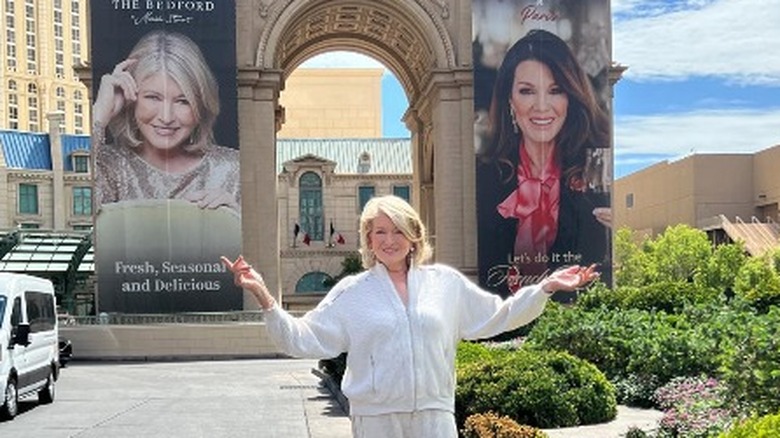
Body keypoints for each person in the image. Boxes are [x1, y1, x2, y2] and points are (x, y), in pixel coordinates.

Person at [221, 195, 598, 438]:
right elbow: (302, 339)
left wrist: (545, 287)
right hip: (377, 422)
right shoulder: (353, 292)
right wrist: (264, 295)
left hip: (435, 418)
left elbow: (499, 316)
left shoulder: (445, 284)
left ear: (414, 235)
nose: (389, 240)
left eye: (398, 230)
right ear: (368, 240)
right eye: (379, 232)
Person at [476, 29, 612, 297]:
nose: (541, 106)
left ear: (570, 98)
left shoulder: (595, 177)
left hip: (574, 321)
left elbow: (600, 269)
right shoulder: (484, 176)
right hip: (504, 320)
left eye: (555, 90)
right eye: (527, 91)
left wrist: (615, 233)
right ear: (510, 100)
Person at [92, 30, 240, 213]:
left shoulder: (232, 169)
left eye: (183, 101)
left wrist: (234, 219)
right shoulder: (106, 164)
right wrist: (99, 115)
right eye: (153, 97)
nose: (166, 117)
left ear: (201, 105)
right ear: (131, 99)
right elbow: (79, 226)